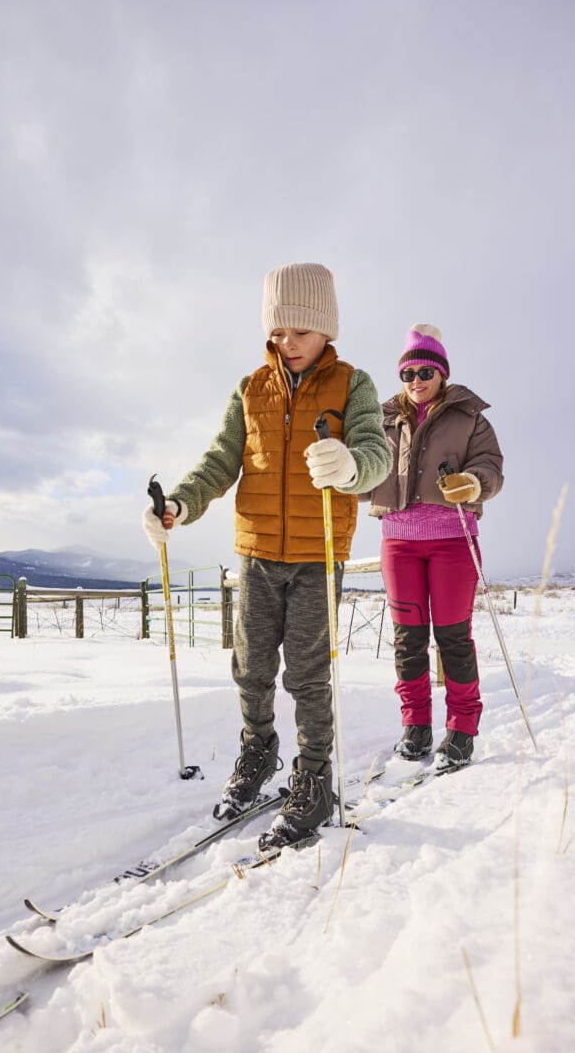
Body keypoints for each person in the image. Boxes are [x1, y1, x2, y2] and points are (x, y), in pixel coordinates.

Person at [142, 263, 392, 844]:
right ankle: (258, 752)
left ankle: (313, 777)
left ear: (326, 329)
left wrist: (353, 467)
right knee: (251, 667)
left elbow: (376, 452)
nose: (287, 342)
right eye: (278, 331)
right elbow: (219, 461)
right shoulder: (250, 387)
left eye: (299, 331)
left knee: (307, 673)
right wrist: (178, 503)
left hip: (316, 552)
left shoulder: (354, 385)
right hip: (255, 553)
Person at [364, 323, 503, 768]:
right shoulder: (382, 419)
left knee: (452, 637)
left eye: (425, 371)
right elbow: (364, 472)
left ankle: (462, 729)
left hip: (452, 542)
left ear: (442, 372)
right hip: (398, 542)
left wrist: (473, 482)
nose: (417, 381)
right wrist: (341, 467)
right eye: (408, 373)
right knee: (408, 639)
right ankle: (416, 726)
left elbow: (491, 467)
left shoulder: (470, 418)